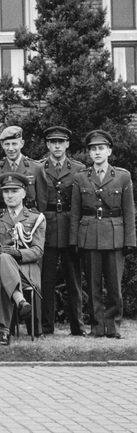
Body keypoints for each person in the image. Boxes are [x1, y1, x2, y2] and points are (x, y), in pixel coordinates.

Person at [70, 130, 136, 339]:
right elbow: (75, 213)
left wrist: (130, 241)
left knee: (115, 285)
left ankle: (113, 326)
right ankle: (97, 327)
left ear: (109, 151)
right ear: (89, 153)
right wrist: (74, 240)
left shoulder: (122, 176)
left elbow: (129, 211)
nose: (97, 152)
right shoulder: (81, 178)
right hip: (89, 236)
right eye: (93, 149)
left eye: (101, 148)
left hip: (115, 236)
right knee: (93, 285)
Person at [0, 172, 46, 345]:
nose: (9, 195)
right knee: (3, 259)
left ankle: (3, 331)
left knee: (4, 271)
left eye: (14, 191)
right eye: (6, 191)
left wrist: (18, 254)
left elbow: (38, 250)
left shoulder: (35, 218)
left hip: (26, 270)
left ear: (24, 193)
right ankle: (20, 300)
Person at [39, 126, 87, 336]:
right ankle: (46, 325)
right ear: (48, 145)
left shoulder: (79, 169)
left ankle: (77, 326)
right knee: (46, 279)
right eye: (53, 142)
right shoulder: (39, 167)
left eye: (61, 142)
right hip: (48, 227)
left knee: (74, 279)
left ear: (67, 144)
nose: (57, 146)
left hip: (69, 227)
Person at [0, 125, 46, 211]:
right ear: (2, 145)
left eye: (14, 144)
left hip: (28, 216)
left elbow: (42, 201)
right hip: (2, 217)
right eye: (7, 144)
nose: (10, 148)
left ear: (22, 144)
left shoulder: (36, 168)